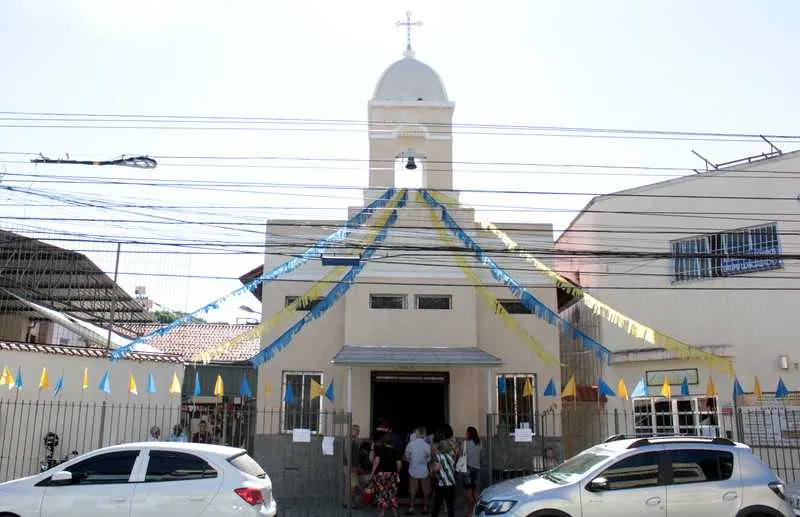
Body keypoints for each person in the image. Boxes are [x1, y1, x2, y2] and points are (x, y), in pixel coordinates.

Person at [404, 427, 431, 515]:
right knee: (425, 491)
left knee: (412, 491)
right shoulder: (427, 445)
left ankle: (411, 508)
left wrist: (411, 461)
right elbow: (429, 459)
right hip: (424, 471)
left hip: (413, 471)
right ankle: (425, 508)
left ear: (417, 434)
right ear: (424, 434)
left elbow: (407, 457)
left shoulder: (411, 444)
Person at [371, 437, 400, 517]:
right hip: (392, 475)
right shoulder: (395, 451)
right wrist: (397, 472)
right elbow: (398, 464)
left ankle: (382, 513)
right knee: (392, 493)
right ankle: (395, 512)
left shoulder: (380, 451)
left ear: (384, 443)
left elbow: (376, 462)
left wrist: (372, 473)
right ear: (393, 444)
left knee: (381, 493)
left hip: (381, 475)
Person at [430, 438, 456, 517]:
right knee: (450, 507)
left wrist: (432, 471)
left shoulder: (438, 457)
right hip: (451, 484)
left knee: (436, 506)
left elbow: (436, 468)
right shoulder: (451, 456)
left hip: (442, 485)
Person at [462, 426, 482, 517]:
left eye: (466, 432)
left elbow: (462, 454)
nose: (465, 434)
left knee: (468, 493)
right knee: (475, 491)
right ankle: (477, 509)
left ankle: (472, 511)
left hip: (467, 469)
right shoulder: (479, 443)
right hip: (476, 468)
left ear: (469, 433)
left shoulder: (465, 443)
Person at [344, 424, 361, 507]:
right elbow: (347, 453)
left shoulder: (355, 439)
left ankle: (349, 502)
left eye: (358, 430)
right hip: (350, 466)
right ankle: (349, 503)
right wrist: (351, 466)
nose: (358, 432)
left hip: (353, 466)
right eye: (356, 430)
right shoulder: (349, 439)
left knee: (352, 485)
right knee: (352, 485)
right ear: (352, 430)